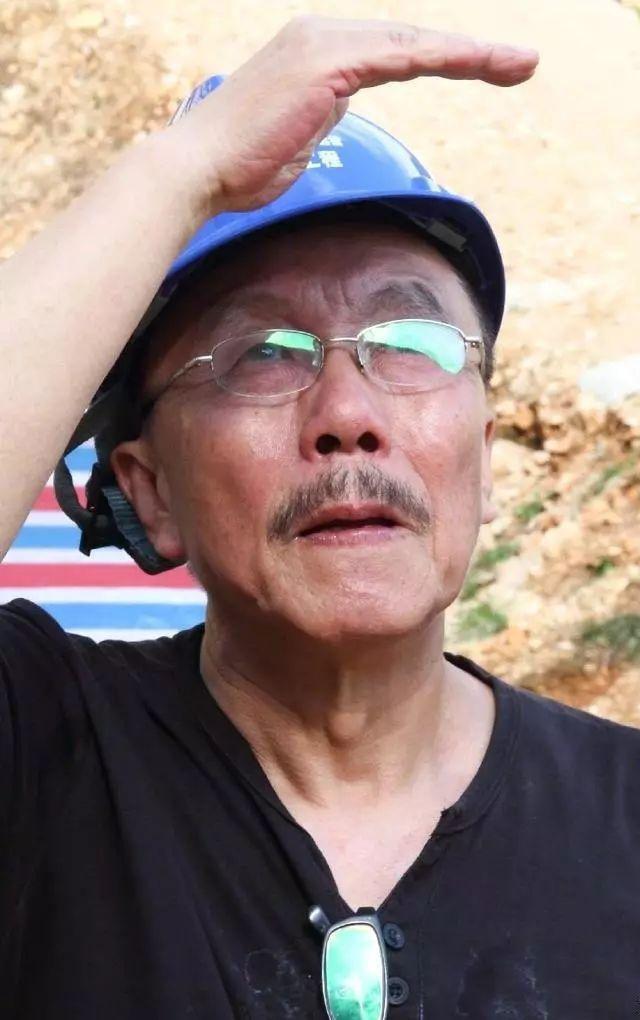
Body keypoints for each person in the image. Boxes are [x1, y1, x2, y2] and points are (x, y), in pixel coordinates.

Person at [1, 15, 638, 1019]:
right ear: (150, 490)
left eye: (411, 341)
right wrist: (182, 171)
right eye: (262, 354)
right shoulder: (44, 755)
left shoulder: (624, 820)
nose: (348, 414)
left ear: (481, 453)